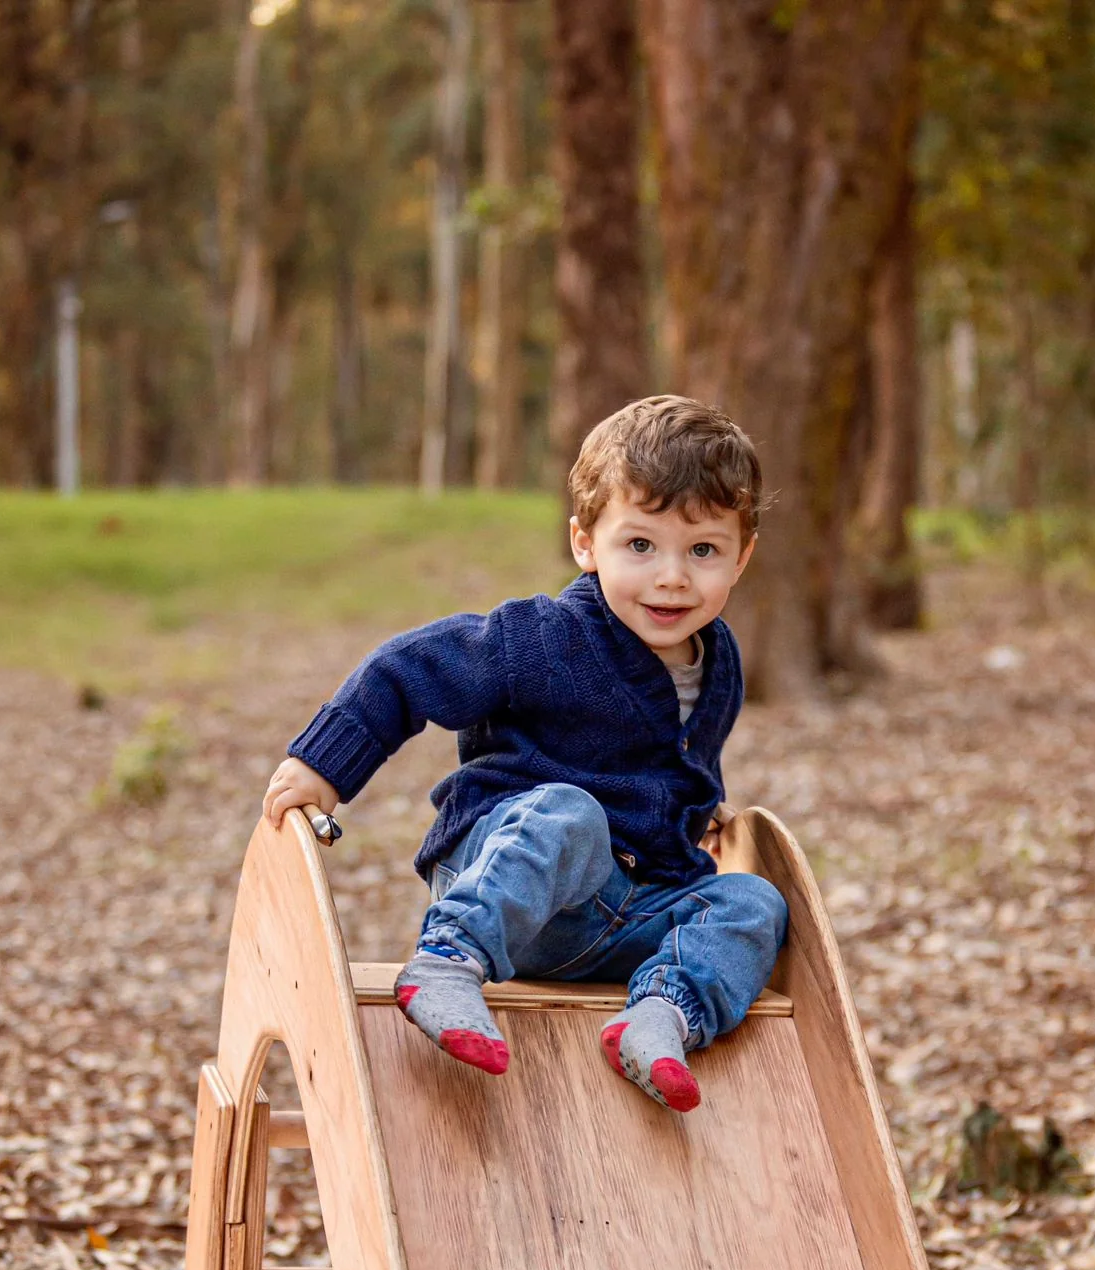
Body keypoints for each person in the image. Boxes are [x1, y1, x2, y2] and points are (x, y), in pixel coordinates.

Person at [263, 393, 787, 1113]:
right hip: (509, 873)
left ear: (742, 556)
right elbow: (408, 669)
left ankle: (661, 1015)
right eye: (640, 546)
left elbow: (683, 758)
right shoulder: (543, 638)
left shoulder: (718, 661)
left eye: (703, 551)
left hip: (617, 912)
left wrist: (697, 814)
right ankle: (447, 962)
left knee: (753, 901)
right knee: (571, 815)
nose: (672, 576)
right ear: (585, 543)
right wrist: (324, 766)